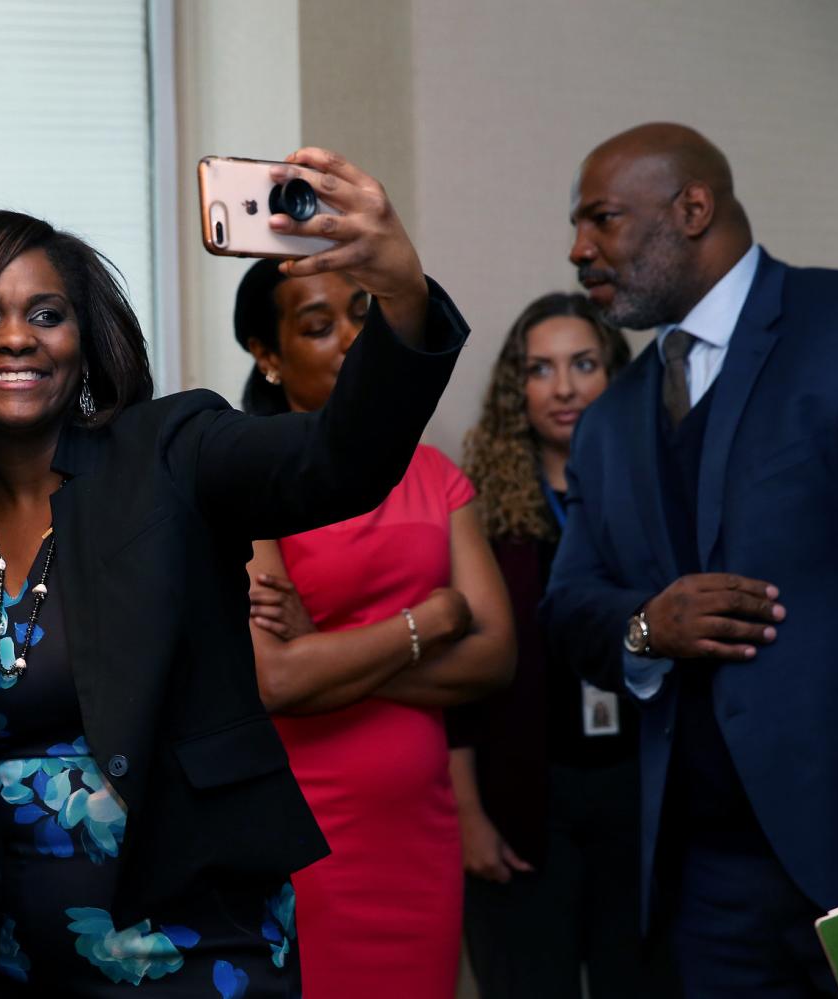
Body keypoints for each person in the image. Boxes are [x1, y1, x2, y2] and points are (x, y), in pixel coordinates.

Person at [0, 148, 470, 995]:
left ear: (84, 337)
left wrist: (403, 293)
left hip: (197, 936)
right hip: (11, 952)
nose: (16, 336)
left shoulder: (172, 451)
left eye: (46, 313)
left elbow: (342, 459)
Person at [541, 121, 838, 997]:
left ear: (692, 207)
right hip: (699, 877)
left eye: (600, 219)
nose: (579, 249)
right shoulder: (613, 419)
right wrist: (648, 627)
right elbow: (570, 608)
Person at [231, 259, 515, 998]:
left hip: (419, 829)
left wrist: (328, 640)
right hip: (309, 824)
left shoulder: (434, 473)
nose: (352, 338)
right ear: (268, 356)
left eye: (361, 315)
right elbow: (278, 678)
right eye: (319, 326)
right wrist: (437, 615)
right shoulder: (247, 480)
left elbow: (495, 657)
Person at [449, 292, 639, 999]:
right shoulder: (483, 510)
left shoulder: (659, 493)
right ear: (515, 389)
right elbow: (457, 683)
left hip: (639, 794)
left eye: (584, 364)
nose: (564, 388)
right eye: (541, 369)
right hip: (524, 796)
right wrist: (468, 813)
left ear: (615, 376)